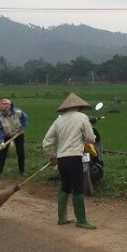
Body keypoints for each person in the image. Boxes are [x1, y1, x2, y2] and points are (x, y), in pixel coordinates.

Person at [42, 93, 97, 229]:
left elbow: (46, 142)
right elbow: (90, 138)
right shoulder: (82, 117)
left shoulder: (59, 120)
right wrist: (85, 140)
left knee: (65, 186)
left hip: (62, 159)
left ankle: (62, 217)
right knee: (78, 187)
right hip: (74, 157)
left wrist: (52, 155)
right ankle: (81, 220)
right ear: (79, 106)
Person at [0, 98, 28, 179]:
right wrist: (1, 142)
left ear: (10, 108)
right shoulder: (0, 117)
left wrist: (22, 128)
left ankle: (22, 171)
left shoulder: (18, 112)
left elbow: (25, 119)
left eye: (5, 110)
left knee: (20, 152)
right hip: (6, 135)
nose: (3, 112)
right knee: (2, 152)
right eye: (2, 110)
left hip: (18, 134)